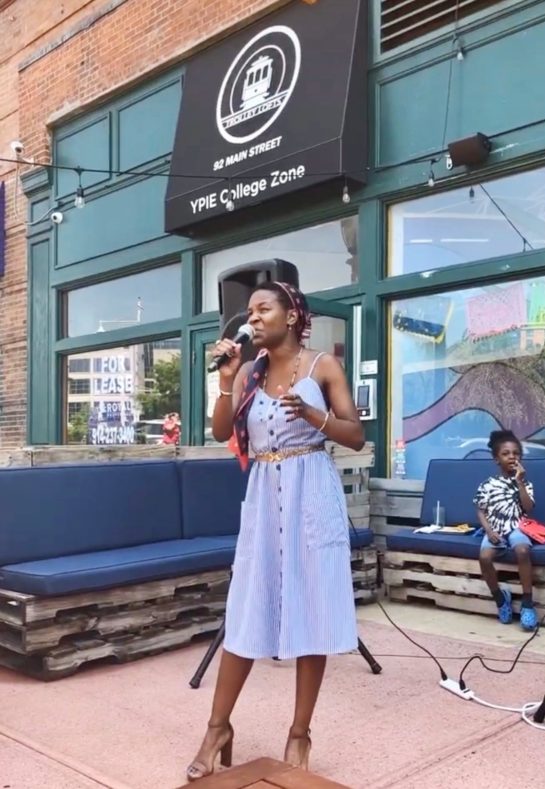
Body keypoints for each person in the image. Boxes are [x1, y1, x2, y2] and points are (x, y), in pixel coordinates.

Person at [186, 281, 365, 781]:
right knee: (246, 609)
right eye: (249, 311)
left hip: (312, 490)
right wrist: (225, 380)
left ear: (291, 316)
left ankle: (299, 733)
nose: (254, 317)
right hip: (264, 495)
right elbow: (222, 431)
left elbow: (355, 435)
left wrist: (313, 414)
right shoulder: (248, 371)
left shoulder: (322, 366)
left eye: (264, 308)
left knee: (311, 612)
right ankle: (218, 728)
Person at [474, 429, 537, 631]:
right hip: (496, 529)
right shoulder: (487, 485)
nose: (512, 457)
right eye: (506, 453)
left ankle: (528, 604)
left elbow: (528, 508)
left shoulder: (525, 483)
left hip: (518, 528)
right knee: (484, 557)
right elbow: (481, 511)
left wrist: (519, 482)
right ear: (496, 459)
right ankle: (501, 600)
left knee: (522, 550)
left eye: (516, 453)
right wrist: (489, 531)